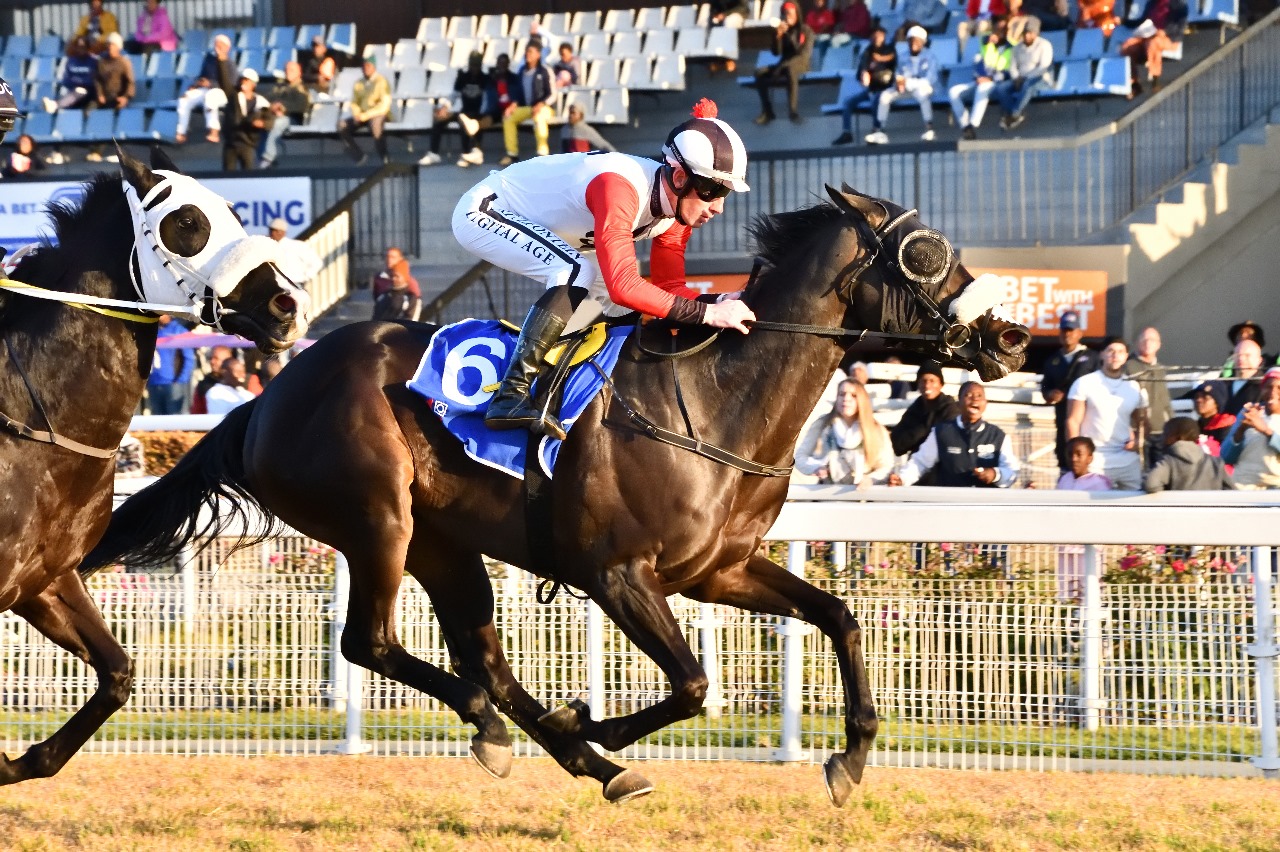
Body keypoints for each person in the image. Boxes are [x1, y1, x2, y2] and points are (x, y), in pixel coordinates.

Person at [451, 98, 754, 439]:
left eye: (726, 193)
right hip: (486, 209)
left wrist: (719, 302)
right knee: (576, 273)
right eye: (714, 190)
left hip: (562, 233)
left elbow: (670, 291)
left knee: (619, 307)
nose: (719, 207)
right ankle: (510, 395)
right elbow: (623, 282)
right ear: (680, 176)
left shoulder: (677, 212)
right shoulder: (620, 187)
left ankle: (562, 392)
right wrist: (708, 315)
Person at [888, 381, 1020, 487]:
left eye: (979, 396)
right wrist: (902, 478)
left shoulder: (998, 436)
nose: (974, 399)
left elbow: (1011, 471)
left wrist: (995, 474)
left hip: (985, 509)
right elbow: (920, 462)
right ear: (959, 402)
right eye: (968, 395)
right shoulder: (941, 432)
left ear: (986, 403)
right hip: (950, 507)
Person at [1066, 337, 1150, 490]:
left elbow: (1143, 423)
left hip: (1127, 460)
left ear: (1125, 357)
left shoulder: (1134, 386)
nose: (1115, 355)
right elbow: (1073, 421)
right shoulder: (1085, 383)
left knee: (1136, 505)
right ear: (1101, 355)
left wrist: (1137, 442)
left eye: (1120, 352)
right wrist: (1077, 455)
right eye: (1110, 351)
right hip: (1094, 460)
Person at [795, 379, 894, 487]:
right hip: (826, 494)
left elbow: (886, 465)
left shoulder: (875, 428)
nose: (846, 399)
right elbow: (800, 457)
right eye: (842, 394)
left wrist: (870, 479)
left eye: (853, 395)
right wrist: (816, 467)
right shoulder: (822, 424)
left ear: (862, 400)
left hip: (862, 496)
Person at [1041, 309, 1098, 473]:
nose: (1067, 334)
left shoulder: (1092, 358)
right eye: (1064, 330)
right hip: (1063, 418)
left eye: (1071, 330)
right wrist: (1050, 394)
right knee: (1066, 459)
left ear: (1079, 333)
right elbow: (1045, 387)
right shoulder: (1052, 361)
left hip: (1088, 420)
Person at [864, 25, 938, 144]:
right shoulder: (903, 56)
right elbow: (898, 73)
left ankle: (929, 129)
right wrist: (898, 82)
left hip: (924, 88)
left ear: (923, 42)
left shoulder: (930, 57)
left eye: (916, 40)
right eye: (910, 40)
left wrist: (908, 82)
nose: (913, 43)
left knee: (923, 95)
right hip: (906, 89)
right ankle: (880, 131)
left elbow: (930, 80)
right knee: (885, 96)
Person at [419, 51, 490, 168]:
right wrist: (444, 108)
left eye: (476, 65)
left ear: (480, 65)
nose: (474, 68)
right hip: (464, 110)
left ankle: (466, 154)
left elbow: (487, 99)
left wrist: (482, 113)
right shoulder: (463, 77)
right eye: (472, 65)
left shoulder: (485, 79)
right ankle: (433, 153)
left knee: (465, 122)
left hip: (478, 113)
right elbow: (453, 96)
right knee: (440, 119)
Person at [948, 17, 1013, 140]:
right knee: (954, 92)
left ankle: (973, 125)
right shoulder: (986, 43)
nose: (999, 32)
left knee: (983, 87)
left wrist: (990, 79)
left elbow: (1008, 72)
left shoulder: (1012, 48)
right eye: (997, 29)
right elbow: (979, 61)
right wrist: (980, 76)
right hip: (982, 80)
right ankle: (965, 126)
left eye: (1003, 30)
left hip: (999, 83)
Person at [831, 26, 896, 146]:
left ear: (884, 36)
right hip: (870, 89)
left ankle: (877, 130)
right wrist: (863, 74)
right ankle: (847, 132)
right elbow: (861, 72)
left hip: (885, 89)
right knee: (848, 102)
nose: (877, 38)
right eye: (874, 35)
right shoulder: (867, 52)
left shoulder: (889, 50)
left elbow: (892, 67)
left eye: (879, 35)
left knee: (876, 100)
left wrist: (877, 67)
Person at [752, 1, 813, 126]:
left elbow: (802, 53)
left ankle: (793, 111)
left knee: (790, 69)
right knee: (759, 73)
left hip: (801, 63)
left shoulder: (806, 31)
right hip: (784, 64)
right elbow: (776, 52)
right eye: (785, 14)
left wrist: (789, 37)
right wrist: (778, 36)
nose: (787, 16)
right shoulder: (782, 31)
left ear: (796, 14)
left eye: (790, 13)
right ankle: (767, 111)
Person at [1220, 370, 1280, 489]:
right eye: (1268, 387)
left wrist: (1265, 430)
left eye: (1279, 387)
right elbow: (1225, 457)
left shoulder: (1259, 421)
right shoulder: (1249, 413)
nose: (1273, 392)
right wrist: (1241, 430)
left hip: (1275, 489)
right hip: (1241, 486)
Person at [890, 361, 958, 463]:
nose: (927, 385)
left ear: (940, 384)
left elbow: (948, 442)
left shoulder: (950, 409)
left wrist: (919, 432)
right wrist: (921, 430)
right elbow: (896, 445)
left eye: (932, 380)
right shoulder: (914, 410)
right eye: (923, 380)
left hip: (943, 466)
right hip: (916, 465)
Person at [994, 16, 1053, 131]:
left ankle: (1014, 114)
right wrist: (1016, 77)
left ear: (1036, 33)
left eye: (1030, 33)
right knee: (1001, 88)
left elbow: (1043, 67)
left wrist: (1025, 78)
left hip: (1040, 79)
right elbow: (1013, 66)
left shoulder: (1044, 45)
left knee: (1028, 86)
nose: (1027, 36)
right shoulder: (1017, 48)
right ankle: (1015, 113)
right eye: (1025, 33)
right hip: (1019, 79)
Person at [175, 33, 237, 144]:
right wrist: (196, 85)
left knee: (210, 97)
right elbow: (202, 76)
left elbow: (230, 85)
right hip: (204, 89)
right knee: (184, 99)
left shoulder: (230, 64)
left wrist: (211, 84)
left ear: (227, 48)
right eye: (216, 45)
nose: (217, 48)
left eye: (220, 46)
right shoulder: (209, 59)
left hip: (220, 92)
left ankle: (214, 131)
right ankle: (181, 131)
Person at [500, 43, 555, 164]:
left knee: (539, 115)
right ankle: (512, 154)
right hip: (527, 108)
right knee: (508, 117)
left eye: (530, 51)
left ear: (538, 54)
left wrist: (541, 103)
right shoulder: (522, 71)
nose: (527, 54)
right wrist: (514, 104)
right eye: (526, 51)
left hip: (544, 108)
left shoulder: (545, 70)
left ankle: (542, 152)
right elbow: (519, 94)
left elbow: (552, 94)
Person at [1144, 417, 1234, 492]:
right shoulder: (1215, 462)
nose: (1161, 438)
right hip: (1210, 511)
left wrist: (1166, 493)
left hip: (1179, 511)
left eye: (1165, 434)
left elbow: (1151, 485)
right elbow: (1231, 490)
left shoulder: (1168, 461)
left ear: (1177, 438)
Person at [85, 32, 133, 162]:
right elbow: (98, 80)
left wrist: (125, 97)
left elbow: (130, 82)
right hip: (103, 98)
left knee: (106, 118)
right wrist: (100, 94)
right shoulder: (102, 61)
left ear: (118, 47)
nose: (109, 47)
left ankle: (98, 151)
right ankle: (90, 146)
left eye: (112, 45)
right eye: (108, 45)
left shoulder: (124, 62)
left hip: (117, 98)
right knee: (89, 112)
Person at [1118, 0, 1182, 98]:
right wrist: (1124, 22)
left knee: (1153, 43)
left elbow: (1180, 24)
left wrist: (1163, 31)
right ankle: (1134, 83)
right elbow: (1143, 21)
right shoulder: (1151, 3)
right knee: (1127, 46)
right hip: (1148, 36)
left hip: (1169, 38)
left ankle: (1155, 80)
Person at [338, 55, 391, 166]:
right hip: (362, 115)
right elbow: (354, 102)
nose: (365, 68)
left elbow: (384, 105)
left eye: (368, 65)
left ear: (374, 67)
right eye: (363, 66)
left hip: (378, 114)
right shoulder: (358, 83)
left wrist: (365, 115)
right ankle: (359, 156)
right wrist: (357, 114)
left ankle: (384, 158)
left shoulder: (381, 81)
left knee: (375, 125)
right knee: (341, 125)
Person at [259, 61, 309, 168]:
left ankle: (268, 157)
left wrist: (283, 107)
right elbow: (268, 99)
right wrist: (273, 106)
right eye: (286, 70)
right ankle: (262, 158)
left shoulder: (301, 88)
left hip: (293, 119)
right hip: (274, 116)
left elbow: (301, 106)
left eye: (291, 70)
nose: (288, 72)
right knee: (263, 124)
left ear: (299, 72)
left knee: (277, 123)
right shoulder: (279, 87)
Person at [220, 69, 270, 171]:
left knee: (249, 175)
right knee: (227, 177)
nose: (243, 82)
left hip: (248, 145)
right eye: (242, 80)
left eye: (247, 80)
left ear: (253, 84)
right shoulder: (234, 97)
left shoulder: (261, 102)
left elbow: (269, 120)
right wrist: (221, 61)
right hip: (231, 143)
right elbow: (224, 81)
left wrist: (263, 124)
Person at [147, 314, 193, 415]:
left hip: (173, 384)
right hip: (154, 383)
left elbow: (189, 358)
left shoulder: (179, 331)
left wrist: (180, 380)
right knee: (158, 423)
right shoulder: (151, 331)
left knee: (176, 421)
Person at [45, 36, 98, 114]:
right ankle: (57, 105)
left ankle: (55, 105)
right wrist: (79, 83)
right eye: (79, 47)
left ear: (88, 48)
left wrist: (78, 82)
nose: (81, 50)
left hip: (90, 94)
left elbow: (92, 81)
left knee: (80, 91)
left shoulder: (93, 61)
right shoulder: (71, 61)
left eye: (83, 47)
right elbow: (66, 80)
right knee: (75, 93)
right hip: (73, 92)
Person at [266, 217, 322, 285]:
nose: (272, 233)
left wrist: (305, 277)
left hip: (294, 284)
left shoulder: (297, 246)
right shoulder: (268, 246)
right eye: (271, 230)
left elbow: (317, 262)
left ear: (282, 232)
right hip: (275, 285)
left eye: (274, 230)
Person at [371, 246, 421, 321]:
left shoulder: (410, 282)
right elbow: (377, 298)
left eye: (393, 257)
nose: (389, 260)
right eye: (387, 257)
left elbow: (415, 302)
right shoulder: (379, 278)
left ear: (400, 259)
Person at [1192, 380, 1235, 455]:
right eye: (1196, 397)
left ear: (1217, 403)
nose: (1198, 400)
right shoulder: (1194, 427)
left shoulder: (1227, 426)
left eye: (1205, 397)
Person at [1223, 337, 1264, 416]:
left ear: (1259, 360)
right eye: (1237, 355)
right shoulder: (1223, 384)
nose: (1241, 359)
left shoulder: (1265, 387)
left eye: (1247, 355)